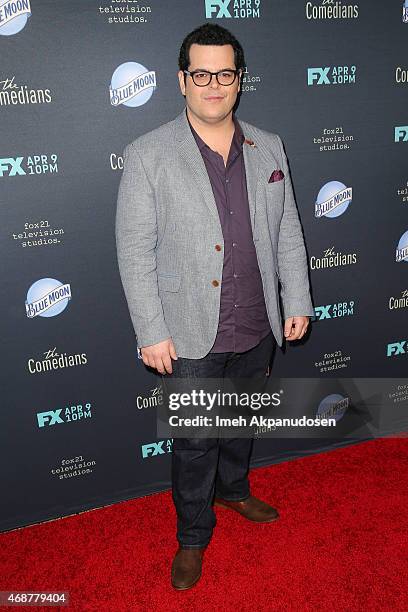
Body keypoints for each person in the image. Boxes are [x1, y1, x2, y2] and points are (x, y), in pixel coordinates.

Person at [115, 22, 314, 590]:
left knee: (239, 422)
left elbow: (290, 233)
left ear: (239, 80)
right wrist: (151, 330)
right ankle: (192, 536)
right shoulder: (148, 154)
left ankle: (234, 492)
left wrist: (295, 298)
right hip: (188, 328)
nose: (213, 85)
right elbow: (134, 251)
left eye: (224, 73)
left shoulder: (268, 145)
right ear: (182, 80)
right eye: (200, 74)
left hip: (257, 322)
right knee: (196, 440)